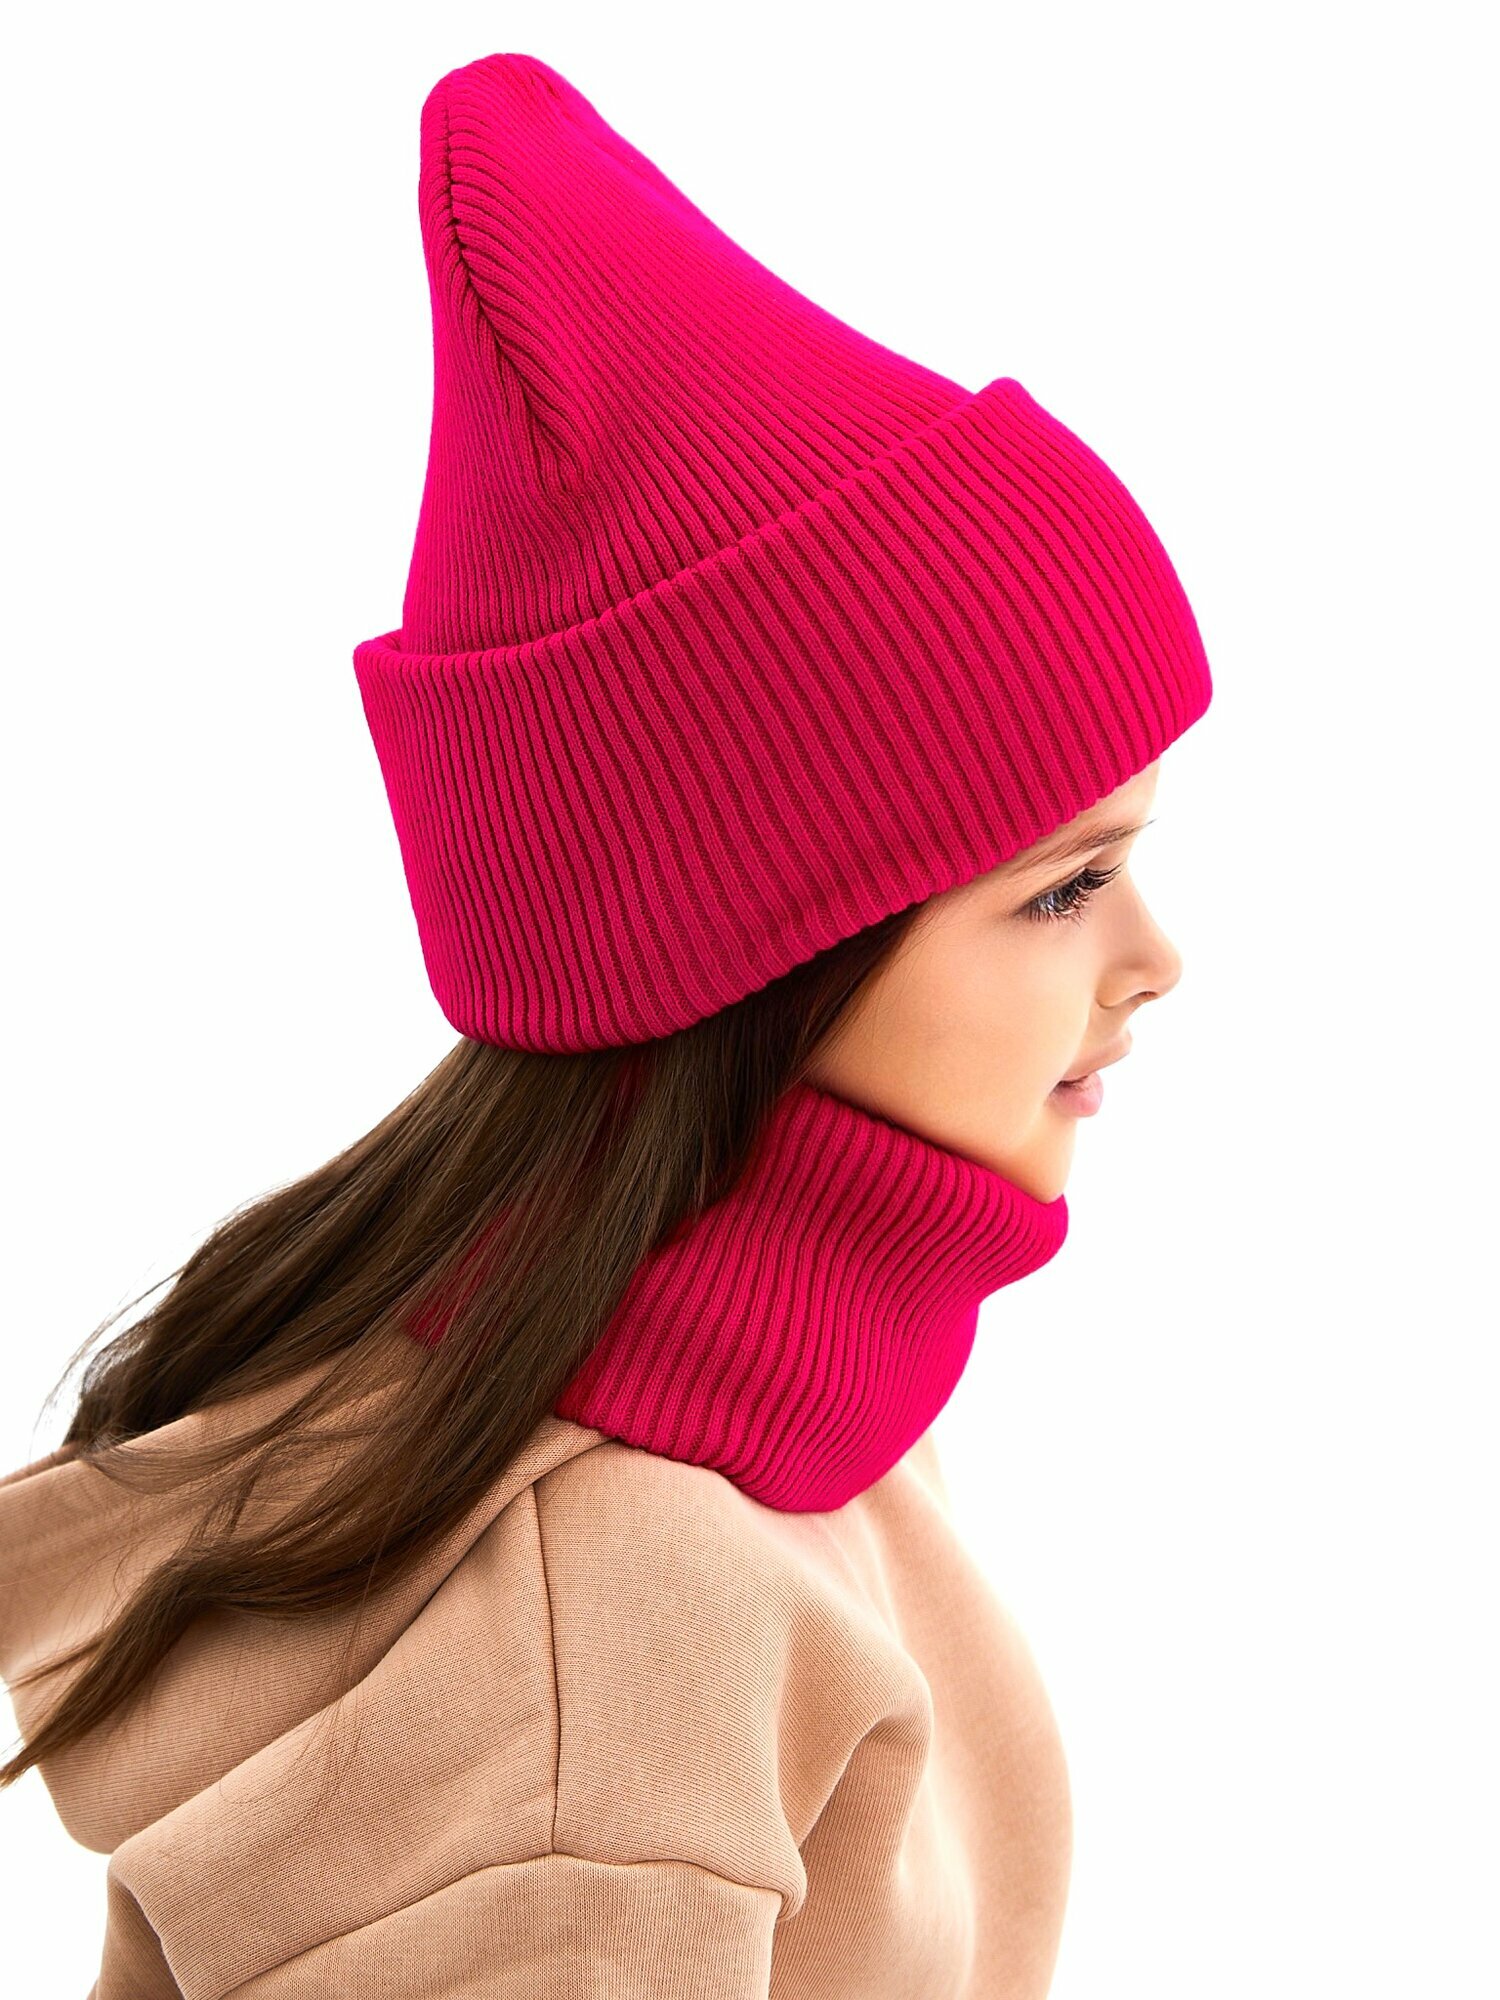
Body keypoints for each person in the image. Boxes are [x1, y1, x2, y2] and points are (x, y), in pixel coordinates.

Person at [0, 49, 1212, 1999]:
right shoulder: (612, 1641)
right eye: (1063, 885)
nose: (1158, 957)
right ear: (753, 947)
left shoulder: (787, 1423)